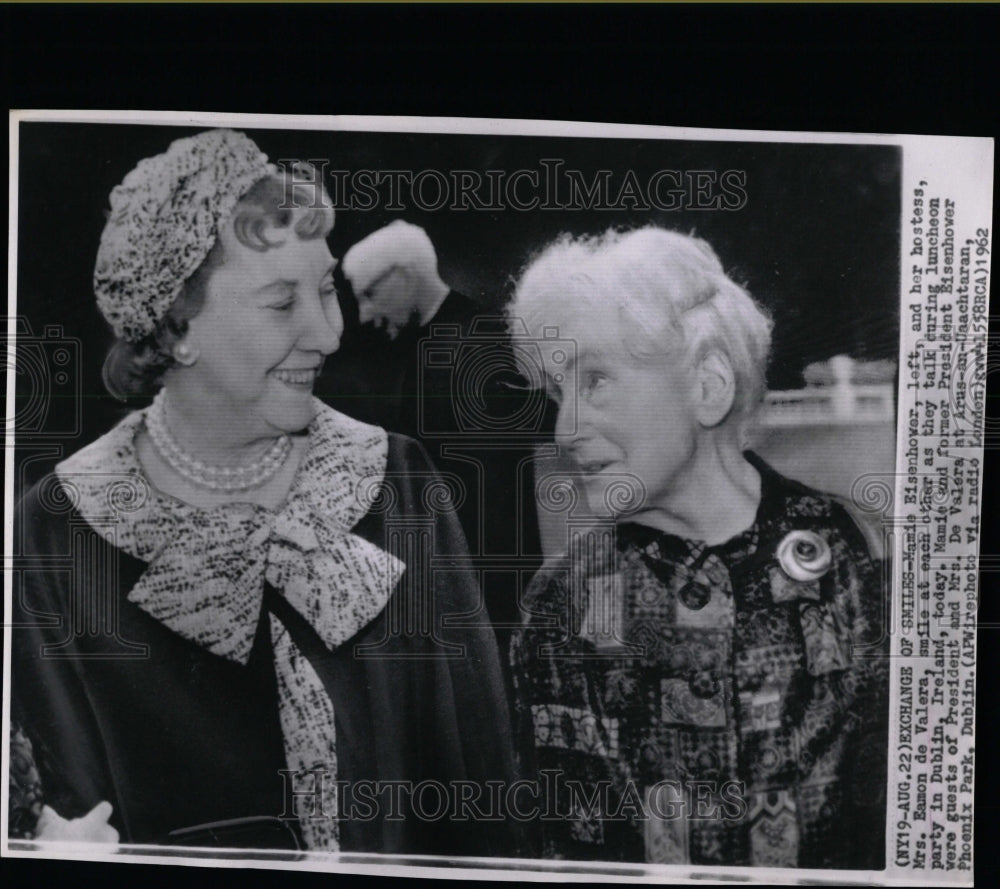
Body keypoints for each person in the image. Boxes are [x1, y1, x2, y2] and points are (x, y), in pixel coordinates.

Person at [11, 130, 519, 855]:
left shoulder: (397, 481)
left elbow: (482, 793)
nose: (329, 333)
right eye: (283, 303)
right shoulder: (57, 528)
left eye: (326, 290)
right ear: (177, 328)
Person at [507, 227, 889, 868]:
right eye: (557, 392)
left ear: (706, 386)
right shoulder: (562, 605)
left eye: (595, 380)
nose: (564, 427)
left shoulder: (854, 557)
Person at [318, 220, 545, 654]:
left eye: (368, 294)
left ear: (402, 276)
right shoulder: (468, 336)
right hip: (478, 577)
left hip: (481, 582)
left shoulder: (462, 345)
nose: (364, 315)